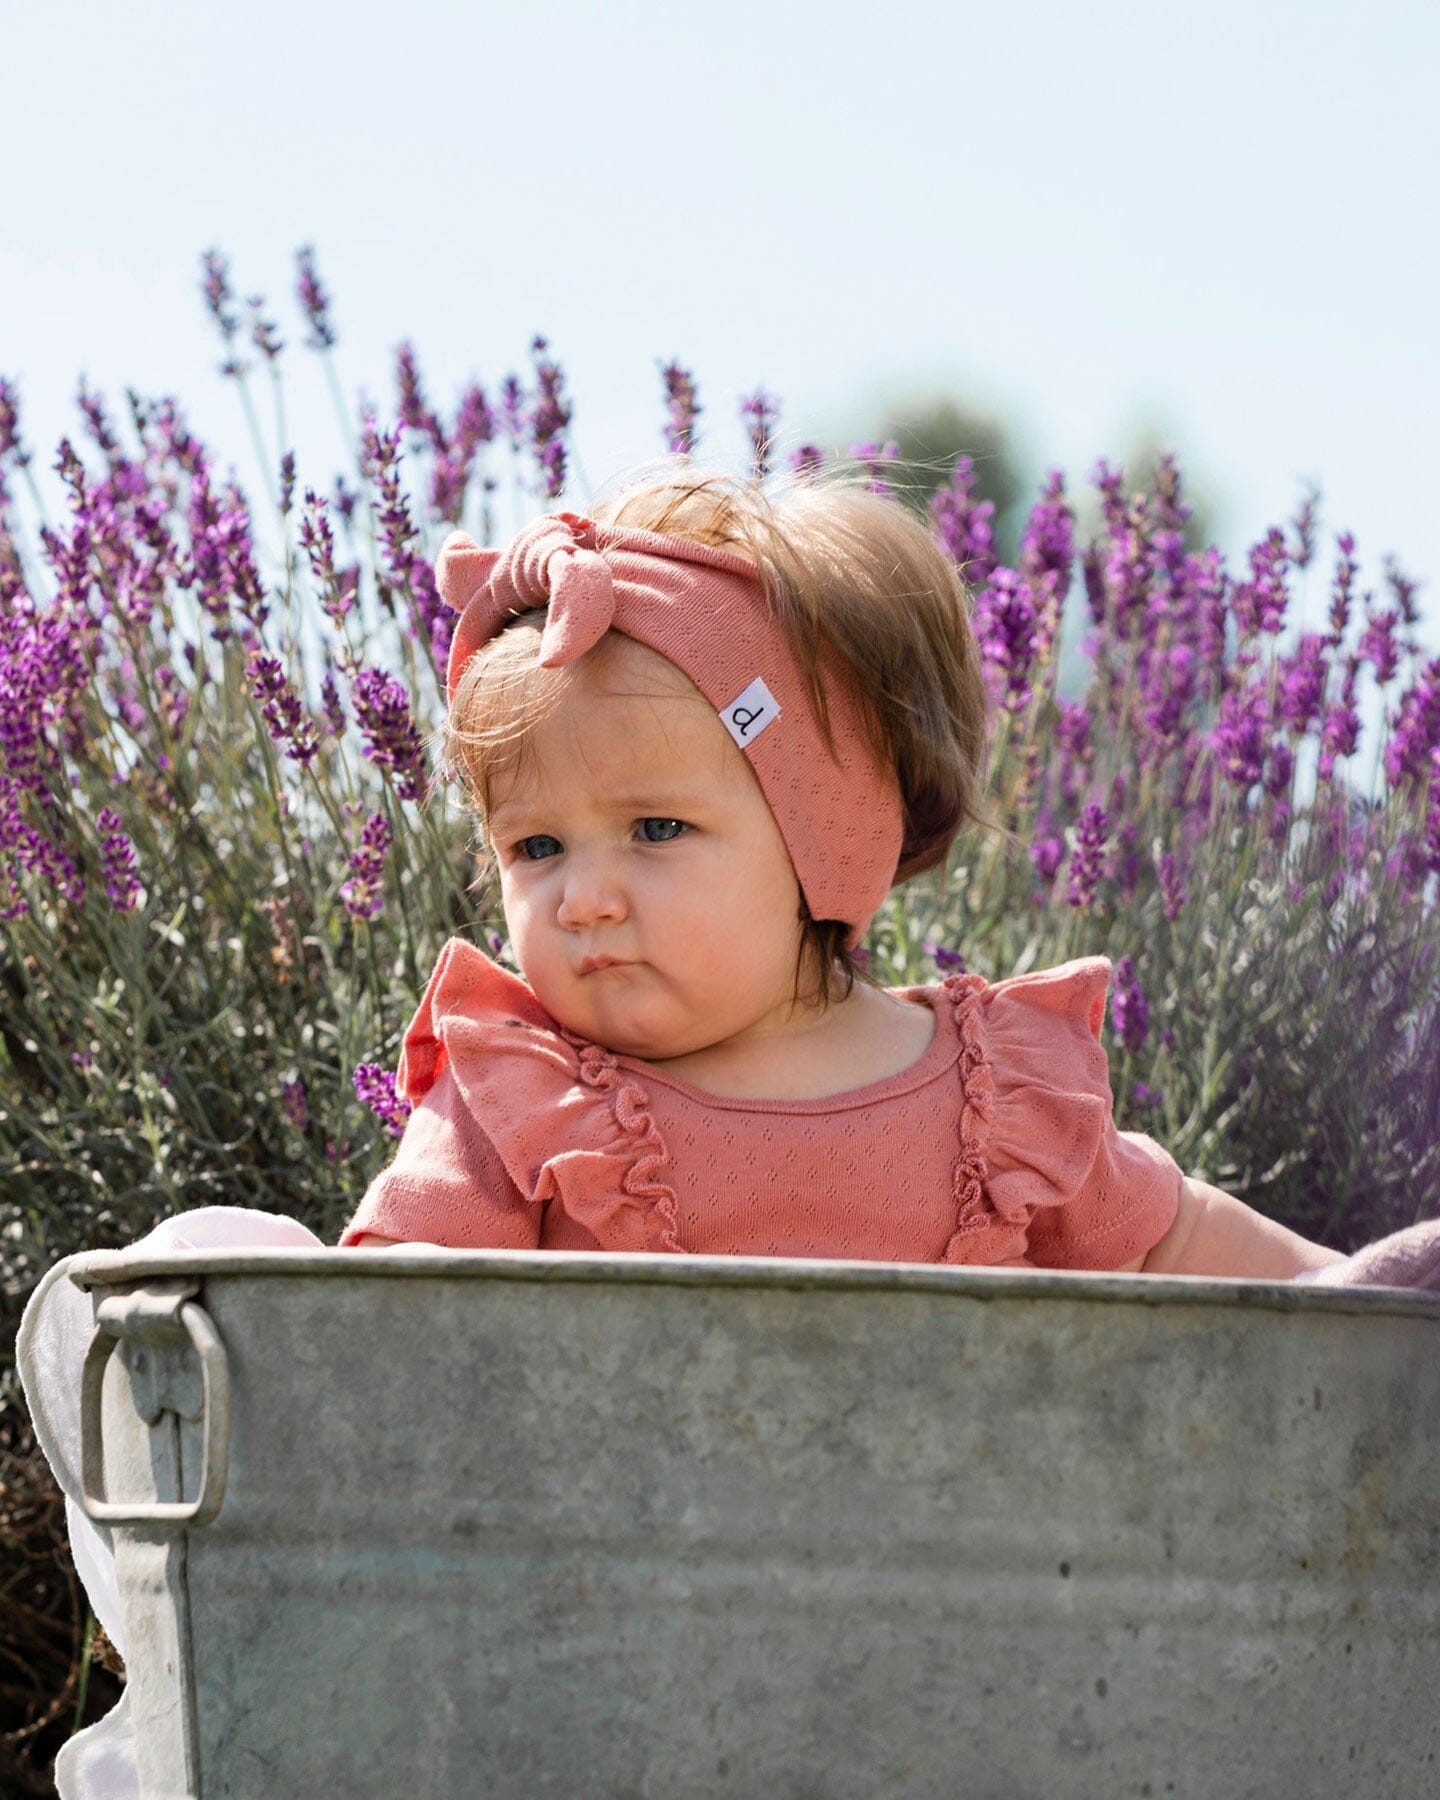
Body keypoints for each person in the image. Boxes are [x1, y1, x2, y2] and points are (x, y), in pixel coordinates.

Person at [341, 468, 1343, 1279]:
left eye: (656, 827)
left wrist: (1360, 1296)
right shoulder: (517, 1101)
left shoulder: (995, 1100)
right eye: (536, 847)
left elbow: (1188, 1249)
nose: (584, 897)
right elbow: (389, 1324)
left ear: (826, 839)